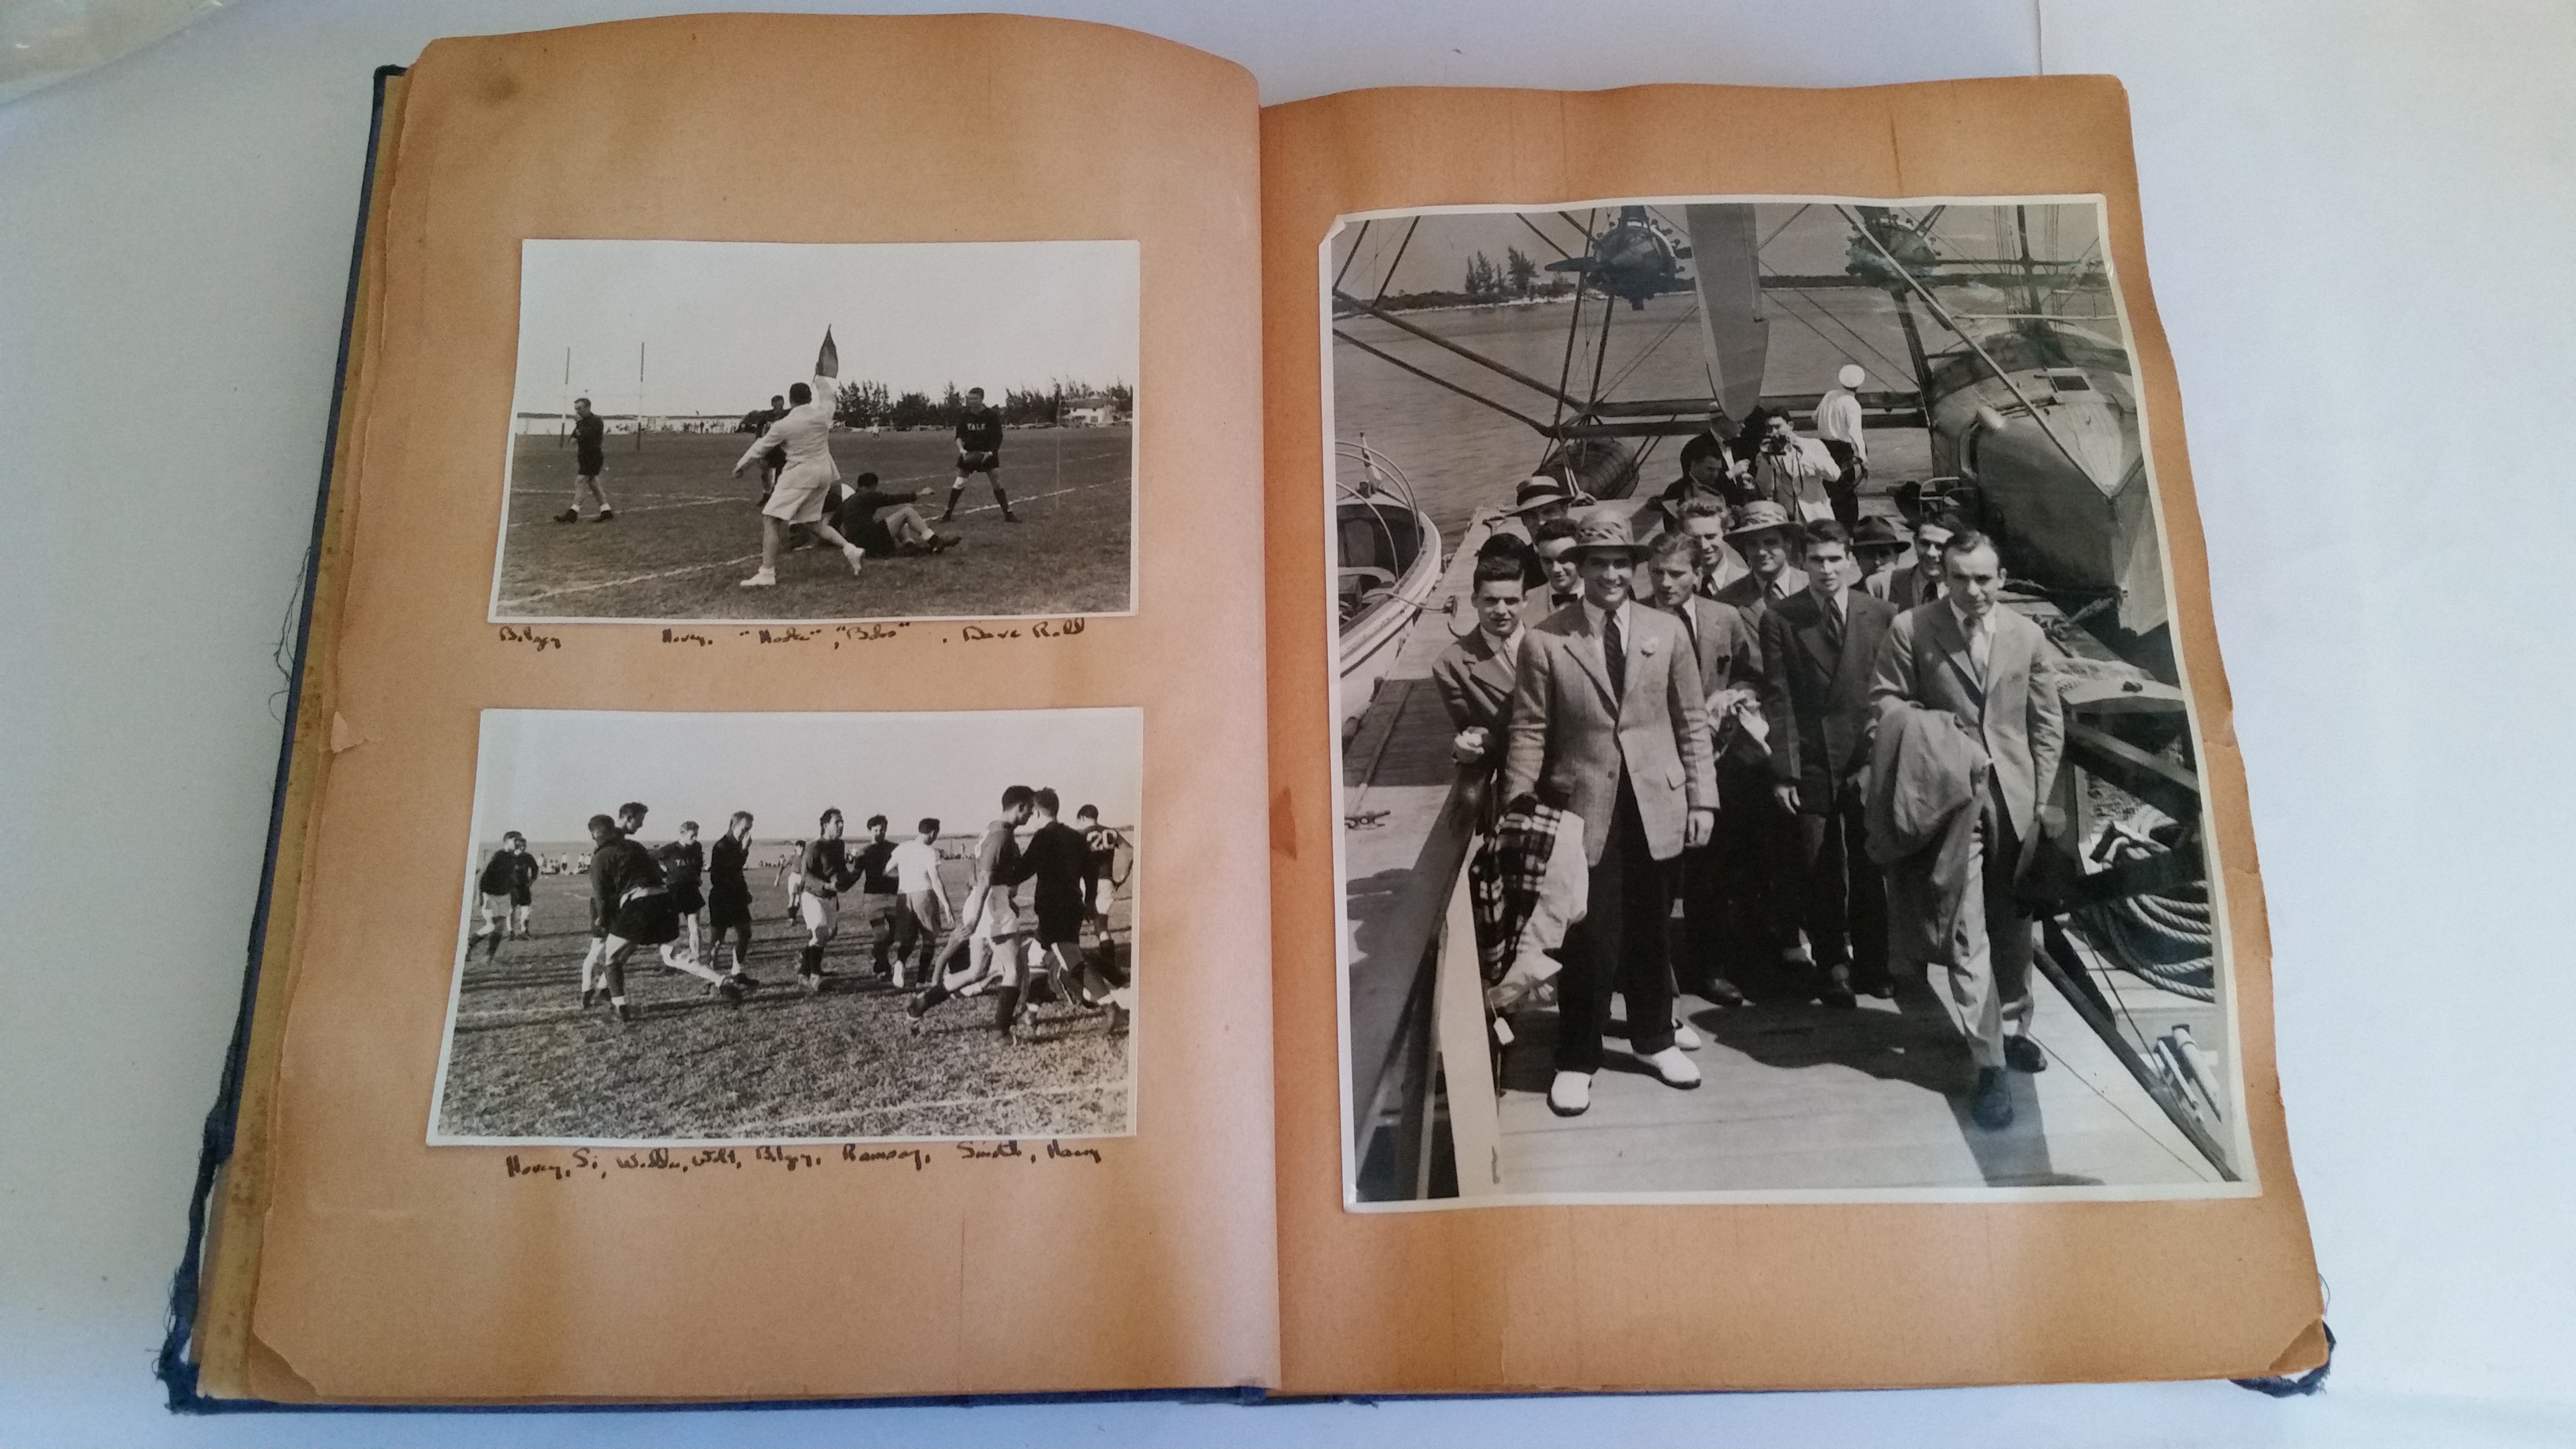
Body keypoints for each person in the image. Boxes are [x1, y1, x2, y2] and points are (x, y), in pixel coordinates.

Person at [1500, 511, 1716, 1118]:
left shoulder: (1666, 627)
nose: (1612, 574)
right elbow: (1528, 730)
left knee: (1650, 928)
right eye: (1599, 564)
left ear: (1635, 567)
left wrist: (1702, 798)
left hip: (1657, 803)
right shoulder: (1546, 639)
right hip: (1581, 810)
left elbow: (1690, 721)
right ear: (1579, 569)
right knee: (1587, 936)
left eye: (1623, 563)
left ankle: (1652, 1040)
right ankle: (1576, 1058)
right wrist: (1517, 808)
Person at [1867, 529, 2064, 1130]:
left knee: (2012, 923)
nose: (1972, 591)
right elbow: (1882, 706)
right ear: (1941, 576)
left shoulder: (2027, 635)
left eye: (1983, 578)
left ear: (2000, 578)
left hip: (2014, 801)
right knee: (1964, 930)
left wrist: (2038, 805)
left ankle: (2011, 1027)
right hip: (1950, 802)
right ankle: (1989, 1067)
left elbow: (2045, 722)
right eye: (1960, 578)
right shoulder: (1912, 629)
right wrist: (1942, 740)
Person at [1760, 521, 1897, 1008]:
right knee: (1819, 865)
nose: (1826, 570)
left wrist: (1883, 756)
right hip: (1813, 759)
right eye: (1816, 560)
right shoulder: (1781, 617)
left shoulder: (1880, 614)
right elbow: (1778, 699)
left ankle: (1874, 962)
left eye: (1835, 559)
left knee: (1869, 864)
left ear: (1851, 561)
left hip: (1865, 758)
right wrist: (1784, 771)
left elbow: (1891, 693)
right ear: (1801, 563)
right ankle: (1832, 963)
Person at [1648, 531, 1761, 1014]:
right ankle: (1655, 973)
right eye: (1657, 574)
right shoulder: (1637, 620)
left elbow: (1751, 673)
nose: (1665, 583)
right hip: (1655, 763)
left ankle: (1710, 968)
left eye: (1676, 574)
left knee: (1711, 870)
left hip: (1715, 761)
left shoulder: (1725, 617)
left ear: (1698, 575)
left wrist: (1731, 695)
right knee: (1656, 872)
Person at [732, 339, 868, 588]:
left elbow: (761, 446)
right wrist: (819, 379)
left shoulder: (784, 424)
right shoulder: (822, 414)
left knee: (771, 519)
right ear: (808, 398)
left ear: (791, 400)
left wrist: (742, 465)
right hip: (825, 475)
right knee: (812, 523)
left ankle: (767, 573)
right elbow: (829, 395)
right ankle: (850, 550)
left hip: (800, 475)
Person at [582, 813, 740, 1021]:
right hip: (665, 901)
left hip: (640, 904)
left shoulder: (601, 856)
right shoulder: (636, 847)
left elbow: (601, 898)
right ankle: (720, 981)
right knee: (670, 954)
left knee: (610, 959)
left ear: (595, 836)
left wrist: (603, 919)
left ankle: (619, 1009)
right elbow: (658, 871)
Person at [906, 787, 1038, 1036]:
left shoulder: (995, 828)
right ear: (1019, 807)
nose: (1032, 814)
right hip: (990, 903)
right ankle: (1001, 1032)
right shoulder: (1001, 836)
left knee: (976, 971)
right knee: (1013, 969)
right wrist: (977, 918)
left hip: (982, 901)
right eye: (1030, 808)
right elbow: (986, 876)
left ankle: (921, 1003)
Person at [1013, 789, 1127, 1030]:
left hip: (1054, 910)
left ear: (1037, 810)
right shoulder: (1075, 836)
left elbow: (1023, 872)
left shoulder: (1044, 837)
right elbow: (1092, 872)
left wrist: (1001, 868)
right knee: (1036, 957)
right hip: (1073, 906)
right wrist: (1089, 902)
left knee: (1074, 962)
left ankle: (1111, 1008)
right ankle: (1031, 1013)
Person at [1432, 552, 1530, 774]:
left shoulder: (1550, 637)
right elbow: (1472, 727)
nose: (1501, 611)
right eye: (1491, 600)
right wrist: (1469, 744)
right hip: (1518, 771)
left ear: (1525, 601)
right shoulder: (1451, 664)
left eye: (1511, 601)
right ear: (1474, 600)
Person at [1710, 499, 1810, 628]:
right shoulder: (1726, 600)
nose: (1761, 552)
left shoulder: (1813, 586)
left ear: (1788, 545)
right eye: (1753, 544)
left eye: (1770, 543)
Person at [794, 809, 858, 994]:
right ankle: (815, 977)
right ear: (825, 826)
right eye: (837, 822)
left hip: (830, 897)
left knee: (829, 933)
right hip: (812, 895)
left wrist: (850, 874)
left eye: (842, 822)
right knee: (821, 930)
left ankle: (804, 966)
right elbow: (806, 877)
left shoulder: (839, 845)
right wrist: (828, 886)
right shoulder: (813, 847)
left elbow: (839, 870)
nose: (842, 825)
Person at [1746, 407, 1841, 525]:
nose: (1774, 433)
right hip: (1787, 518)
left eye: (1778, 427)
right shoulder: (1765, 454)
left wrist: (1804, 453)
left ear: (1790, 425)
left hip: (1816, 514)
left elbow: (1834, 475)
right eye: (1770, 429)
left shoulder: (1813, 445)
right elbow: (1765, 490)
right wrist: (1767, 462)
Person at [828, 472, 958, 557]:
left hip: (857, 543)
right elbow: (894, 499)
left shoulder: (848, 501)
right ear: (874, 485)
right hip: (870, 539)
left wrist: (845, 541)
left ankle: (910, 545)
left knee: (897, 518)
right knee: (907, 512)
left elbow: (832, 525)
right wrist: (920, 494)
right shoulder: (869, 496)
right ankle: (935, 541)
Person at [885, 818, 950, 986]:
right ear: (933, 833)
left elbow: (887, 871)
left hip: (904, 896)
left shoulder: (902, 848)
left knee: (908, 938)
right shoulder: (929, 852)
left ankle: (899, 964)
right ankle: (921, 980)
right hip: (924, 894)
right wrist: (946, 904)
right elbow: (935, 880)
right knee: (929, 939)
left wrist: (904, 876)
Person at [940, 387, 1017, 523]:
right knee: (959, 483)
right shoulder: (965, 415)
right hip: (969, 453)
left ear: (982, 399)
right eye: (970, 398)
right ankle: (947, 514)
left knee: (997, 483)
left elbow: (998, 437)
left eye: (975, 398)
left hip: (987, 453)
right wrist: (962, 451)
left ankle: (1008, 514)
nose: (972, 401)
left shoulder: (991, 416)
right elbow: (959, 436)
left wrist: (991, 452)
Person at [1813, 364, 1870, 531]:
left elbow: (1814, 417)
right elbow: (1855, 433)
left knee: (1827, 488)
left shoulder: (1830, 395)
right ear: (1859, 385)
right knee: (1846, 491)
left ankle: (1827, 524)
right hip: (1842, 450)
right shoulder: (1852, 404)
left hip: (1823, 447)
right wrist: (1864, 459)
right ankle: (1848, 528)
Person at [706, 812, 758, 986]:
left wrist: (744, 892)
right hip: (722, 897)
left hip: (737, 897)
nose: (747, 833)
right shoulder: (722, 846)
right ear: (734, 826)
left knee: (745, 932)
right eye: (745, 829)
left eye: (750, 829)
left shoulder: (737, 845)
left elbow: (737, 873)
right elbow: (727, 872)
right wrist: (744, 850)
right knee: (718, 939)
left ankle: (737, 971)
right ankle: (710, 977)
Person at [851, 814, 902, 977]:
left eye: (882, 830)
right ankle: (883, 968)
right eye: (875, 830)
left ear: (886, 830)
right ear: (869, 831)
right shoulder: (864, 852)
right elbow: (856, 874)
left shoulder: (895, 849)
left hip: (893, 896)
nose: (879, 833)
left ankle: (876, 952)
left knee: (896, 933)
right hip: (873, 898)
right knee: (880, 933)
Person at [469, 832, 533, 959]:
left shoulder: (513, 858)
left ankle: (489, 956)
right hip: (490, 896)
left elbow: (511, 876)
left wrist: (514, 889)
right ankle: (470, 945)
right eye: (516, 840)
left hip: (504, 896)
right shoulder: (497, 855)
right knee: (493, 926)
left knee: (499, 928)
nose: (519, 843)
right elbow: (481, 875)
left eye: (520, 841)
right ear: (507, 841)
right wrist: (479, 895)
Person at [654, 820, 708, 965]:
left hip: (691, 891)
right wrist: (662, 873)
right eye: (692, 835)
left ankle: (697, 958)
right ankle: (671, 961)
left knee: (695, 927)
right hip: (674, 892)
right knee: (671, 930)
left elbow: (698, 865)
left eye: (697, 835)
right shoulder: (669, 850)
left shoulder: (697, 847)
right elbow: (652, 859)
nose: (695, 838)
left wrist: (697, 877)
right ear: (682, 834)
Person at [552, 398, 614, 523]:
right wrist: (576, 435)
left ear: (587, 408)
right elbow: (575, 437)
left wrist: (580, 427)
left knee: (580, 481)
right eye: (576, 409)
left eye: (579, 408)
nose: (577, 411)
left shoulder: (596, 421)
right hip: (584, 456)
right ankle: (606, 511)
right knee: (594, 484)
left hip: (593, 456)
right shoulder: (582, 423)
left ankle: (573, 512)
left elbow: (588, 436)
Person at [1073, 805, 1129, 936]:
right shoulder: (1112, 833)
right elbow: (1131, 853)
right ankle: (1109, 956)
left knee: (1074, 922)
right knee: (1101, 925)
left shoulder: (1080, 835)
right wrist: (1123, 876)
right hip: (1106, 881)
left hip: (1085, 882)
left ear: (1082, 818)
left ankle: (1075, 955)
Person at [1677, 496, 1749, 596]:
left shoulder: (1745, 584)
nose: (1704, 546)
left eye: (1710, 537)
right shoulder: (1675, 583)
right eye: (1695, 538)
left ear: (1725, 534)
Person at [1889, 513, 1957, 610]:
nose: (1931, 553)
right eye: (1925, 544)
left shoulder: (1966, 590)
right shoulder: (1884, 585)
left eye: (1940, 547)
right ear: (1915, 542)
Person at [1530, 516, 1585, 613]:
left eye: (1564, 560)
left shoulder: (1603, 597)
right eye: (1547, 561)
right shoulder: (1527, 603)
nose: (1556, 569)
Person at [1852, 515, 1907, 601]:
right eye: (1870, 555)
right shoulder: (1848, 598)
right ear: (1857, 559)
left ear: (1897, 557)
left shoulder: (1911, 593)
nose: (1877, 562)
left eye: (1884, 554)